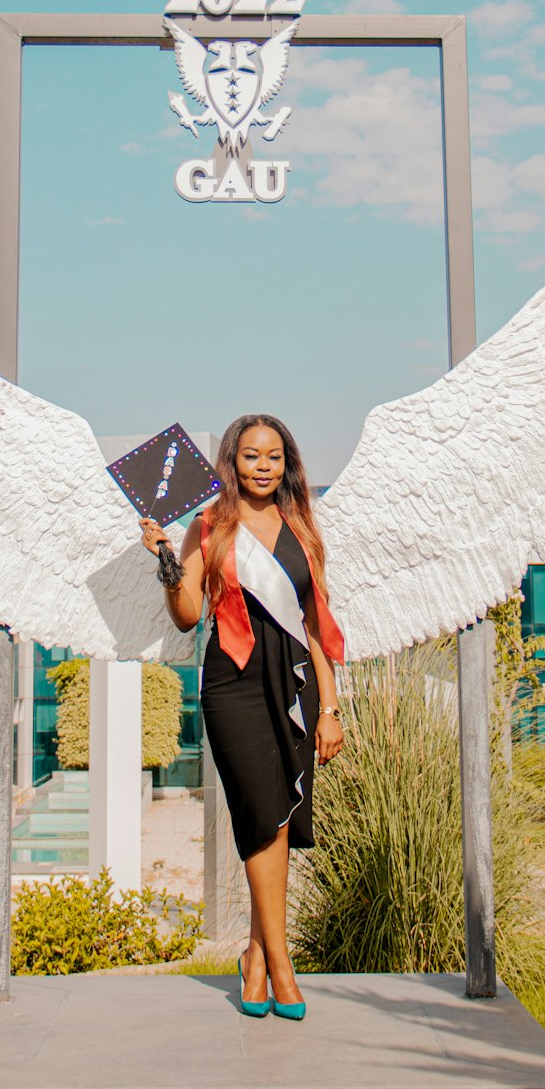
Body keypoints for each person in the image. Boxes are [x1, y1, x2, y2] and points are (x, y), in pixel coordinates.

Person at [140, 414, 344, 1020]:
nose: (263, 466)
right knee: (259, 808)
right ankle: (283, 966)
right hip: (231, 683)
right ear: (233, 461)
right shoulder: (211, 525)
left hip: (296, 682)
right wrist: (165, 559)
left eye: (274, 456)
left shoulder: (303, 529)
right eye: (251, 455)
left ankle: (255, 956)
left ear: (287, 464)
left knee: (279, 815)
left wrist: (330, 709)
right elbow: (184, 614)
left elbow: (317, 626)